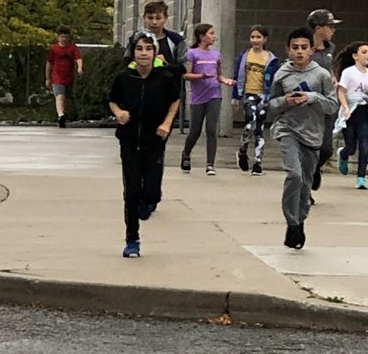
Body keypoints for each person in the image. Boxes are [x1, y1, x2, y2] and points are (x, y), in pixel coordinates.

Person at [108, 31, 182, 258]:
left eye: (148, 49)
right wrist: (119, 113)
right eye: (139, 49)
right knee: (131, 192)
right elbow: (112, 100)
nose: (144, 53)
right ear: (133, 52)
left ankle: (149, 202)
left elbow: (175, 100)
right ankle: (132, 240)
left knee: (150, 193)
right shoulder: (123, 78)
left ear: (155, 53)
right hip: (129, 140)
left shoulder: (164, 78)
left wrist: (167, 124)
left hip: (154, 141)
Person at [266, 26, 337, 249]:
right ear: (288, 50)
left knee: (305, 183)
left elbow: (332, 106)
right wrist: (284, 101)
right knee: (294, 175)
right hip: (287, 129)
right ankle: (291, 222)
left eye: (304, 48)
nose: (299, 52)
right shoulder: (282, 74)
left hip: (312, 133)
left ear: (311, 50)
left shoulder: (321, 75)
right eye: (295, 48)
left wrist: (312, 97)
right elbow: (271, 105)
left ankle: (300, 221)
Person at [179, 23, 235, 175]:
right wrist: (201, 76)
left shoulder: (216, 55)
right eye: (211, 33)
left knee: (211, 129)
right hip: (198, 97)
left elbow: (218, 75)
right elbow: (186, 75)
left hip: (214, 95)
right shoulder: (192, 53)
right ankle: (186, 153)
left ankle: (210, 164)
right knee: (195, 131)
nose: (214, 36)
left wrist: (226, 81)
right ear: (202, 36)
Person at [334, 41, 368, 190]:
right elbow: (341, 91)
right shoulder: (348, 72)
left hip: (363, 112)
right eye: (364, 52)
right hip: (350, 112)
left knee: (364, 144)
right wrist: (345, 107)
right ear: (355, 56)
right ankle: (343, 154)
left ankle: (361, 178)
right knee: (351, 147)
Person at [232, 26, 279, 175]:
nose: (255, 40)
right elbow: (237, 76)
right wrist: (236, 96)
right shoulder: (245, 56)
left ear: (265, 39)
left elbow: (275, 80)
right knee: (250, 123)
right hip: (248, 94)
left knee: (260, 129)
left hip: (263, 96)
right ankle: (243, 150)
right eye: (252, 37)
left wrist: (273, 97)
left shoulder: (271, 59)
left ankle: (258, 162)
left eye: (258, 37)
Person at [306, 8, 340, 192]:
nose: (333, 31)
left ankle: (314, 170)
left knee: (326, 149)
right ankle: (306, 186)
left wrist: (332, 77)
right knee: (309, 147)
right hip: (308, 104)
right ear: (318, 28)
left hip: (326, 103)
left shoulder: (330, 48)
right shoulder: (304, 47)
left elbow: (329, 68)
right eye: (330, 26)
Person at [125, 0, 188, 68]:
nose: (154, 22)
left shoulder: (176, 40)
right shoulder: (135, 39)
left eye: (158, 18)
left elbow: (184, 68)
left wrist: (166, 64)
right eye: (150, 18)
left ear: (165, 18)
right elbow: (126, 63)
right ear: (144, 18)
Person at [45, 28, 83, 127]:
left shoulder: (72, 48)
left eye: (66, 37)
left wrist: (79, 67)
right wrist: (48, 78)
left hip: (69, 77)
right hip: (57, 77)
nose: (64, 39)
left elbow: (78, 58)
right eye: (62, 37)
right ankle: (61, 116)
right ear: (58, 37)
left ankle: (65, 114)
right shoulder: (54, 49)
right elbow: (49, 64)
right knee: (60, 96)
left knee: (67, 98)